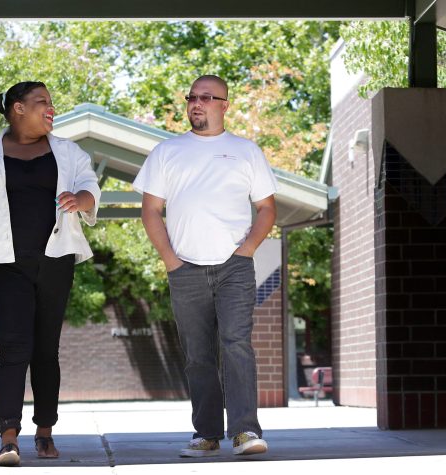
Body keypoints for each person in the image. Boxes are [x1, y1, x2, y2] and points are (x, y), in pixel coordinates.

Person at [0, 81, 100, 467]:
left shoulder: (68, 152)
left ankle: (44, 431)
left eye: (51, 102)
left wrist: (80, 200)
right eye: (41, 102)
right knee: (14, 349)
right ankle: (8, 436)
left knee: (46, 349)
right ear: (17, 108)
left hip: (55, 259)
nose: (50, 109)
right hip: (2, 263)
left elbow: (90, 187)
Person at [133, 75, 277, 458]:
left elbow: (266, 208)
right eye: (192, 97)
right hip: (186, 269)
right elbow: (150, 210)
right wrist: (170, 260)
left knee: (236, 345)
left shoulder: (246, 151)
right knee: (198, 354)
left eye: (207, 98)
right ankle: (207, 434)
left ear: (224, 105)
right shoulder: (167, 151)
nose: (197, 103)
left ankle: (246, 431)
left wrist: (246, 250)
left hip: (235, 268)